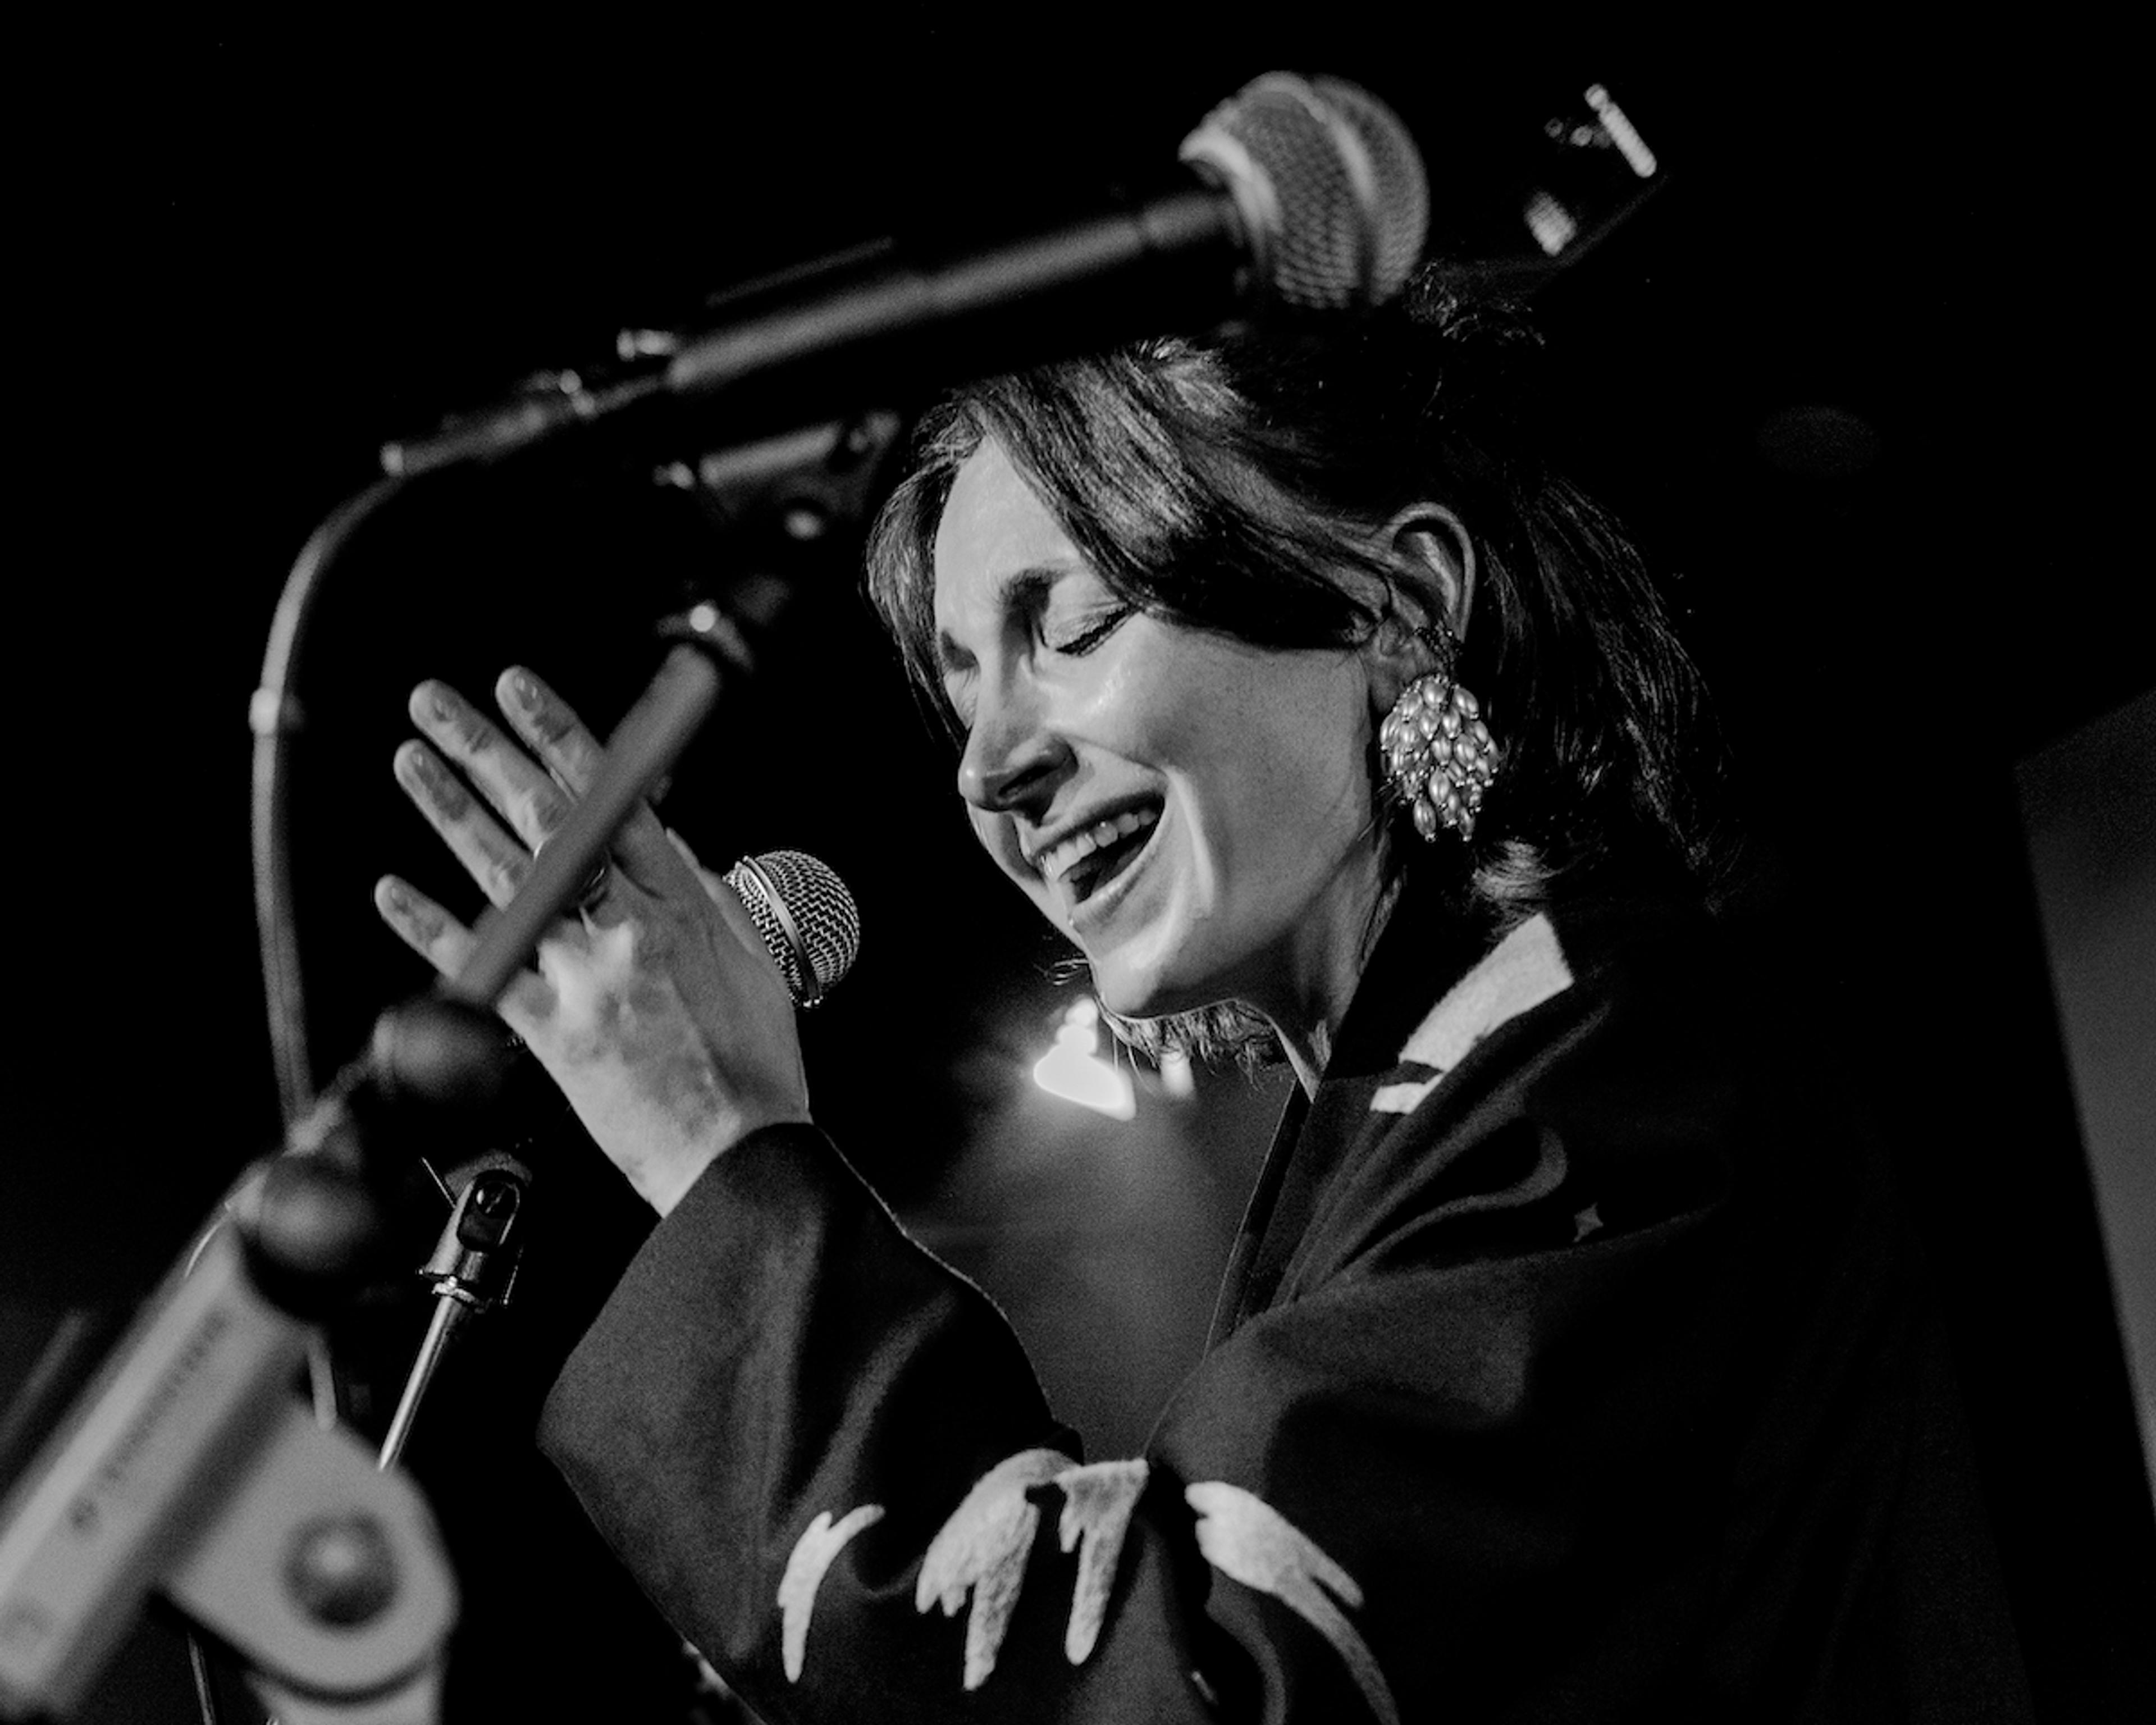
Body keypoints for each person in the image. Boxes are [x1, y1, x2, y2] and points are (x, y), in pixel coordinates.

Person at [374, 280, 2032, 1721]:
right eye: (961, 694)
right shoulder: (1406, 1123)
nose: (993, 768)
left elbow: (1183, 1690)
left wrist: (720, 1157)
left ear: (1400, 607)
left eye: (1074, 626)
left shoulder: (1625, 1080)